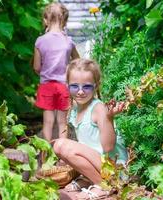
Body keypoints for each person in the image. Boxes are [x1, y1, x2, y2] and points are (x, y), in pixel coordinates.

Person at [53, 58, 128, 199]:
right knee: (61, 147)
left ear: (96, 85)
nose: (80, 92)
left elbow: (108, 147)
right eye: (75, 86)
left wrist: (109, 118)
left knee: (61, 145)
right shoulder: (75, 108)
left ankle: (105, 185)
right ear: (67, 85)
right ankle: (90, 178)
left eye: (86, 87)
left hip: (114, 168)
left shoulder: (98, 108)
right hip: (101, 163)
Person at [33, 2, 79, 143]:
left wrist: (45, 71)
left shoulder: (40, 41)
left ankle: (46, 154)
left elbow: (36, 67)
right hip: (63, 86)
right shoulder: (68, 41)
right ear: (65, 21)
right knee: (62, 122)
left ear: (45, 20)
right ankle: (62, 157)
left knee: (48, 122)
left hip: (46, 86)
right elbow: (77, 61)